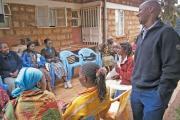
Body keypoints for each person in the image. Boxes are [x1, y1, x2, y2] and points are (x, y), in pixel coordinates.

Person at [131, 1, 180, 120]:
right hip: (136, 91)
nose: (137, 14)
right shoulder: (140, 35)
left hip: (153, 94)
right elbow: (138, 61)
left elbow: (173, 67)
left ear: (151, 10)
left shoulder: (167, 33)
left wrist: (161, 95)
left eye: (140, 10)